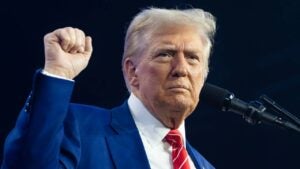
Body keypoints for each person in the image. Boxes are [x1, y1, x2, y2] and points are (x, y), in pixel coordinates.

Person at [1, 7, 216, 169]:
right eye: (165, 54)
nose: (181, 69)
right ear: (132, 71)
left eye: (192, 58)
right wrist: (58, 73)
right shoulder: (77, 127)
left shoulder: (204, 166)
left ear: (203, 76)